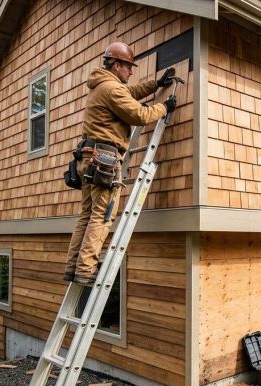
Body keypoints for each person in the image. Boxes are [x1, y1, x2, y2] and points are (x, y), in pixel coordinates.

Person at [64, 41, 176, 285]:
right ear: (116, 66)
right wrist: (163, 107)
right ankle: (86, 269)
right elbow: (139, 114)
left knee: (86, 215)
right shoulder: (112, 90)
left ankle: (74, 266)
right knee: (102, 216)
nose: (132, 71)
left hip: (88, 159)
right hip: (104, 160)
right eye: (128, 66)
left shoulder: (102, 86)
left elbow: (130, 93)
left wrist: (156, 84)